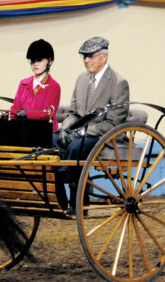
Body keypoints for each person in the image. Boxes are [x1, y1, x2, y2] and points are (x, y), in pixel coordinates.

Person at [54, 36, 129, 215]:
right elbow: (73, 113)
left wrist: (80, 132)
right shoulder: (81, 79)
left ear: (104, 56)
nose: (86, 60)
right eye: (84, 57)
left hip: (104, 136)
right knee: (54, 142)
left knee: (75, 147)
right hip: (82, 133)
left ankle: (78, 203)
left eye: (91, 56)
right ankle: (58, 198)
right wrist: (66, 129)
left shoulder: (118, 83)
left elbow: (114, 122)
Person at [10, 39, 61, 134]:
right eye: (33, 61)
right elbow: (16, 107)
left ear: (50, 62)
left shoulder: (54, 86)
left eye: (39, 60)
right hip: (24, 129)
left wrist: (27, 114)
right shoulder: (23, 84)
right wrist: (9, 114)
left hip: (44, 132)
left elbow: (49, 113)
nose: (35, 64)